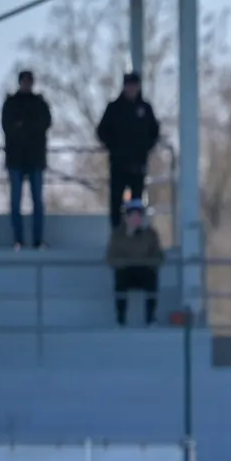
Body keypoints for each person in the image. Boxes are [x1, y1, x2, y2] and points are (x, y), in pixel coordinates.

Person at [96, 72, 160, 229]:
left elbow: (154, 131)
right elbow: (101, 131)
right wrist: (113, 146)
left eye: (134, 85)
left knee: (137, 202)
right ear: (124, 87)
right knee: (116, 201)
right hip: (118, 163)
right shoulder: (114, 108)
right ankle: (117, 233)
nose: (132, 88)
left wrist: (145, 148)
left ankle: (136, 234)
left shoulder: (145, 108)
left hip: (138, 163)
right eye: (129, 85)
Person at [1, 70, 52, 249]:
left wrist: (24, 126)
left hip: (35, 159)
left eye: (30, 81)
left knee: (37, 201)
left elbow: (46, 123)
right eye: (25, 81)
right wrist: (30, 128)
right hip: (16, 159)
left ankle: (37, 240)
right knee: (16, 202)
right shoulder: (11, 103)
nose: (27, 84)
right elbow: (8, 126)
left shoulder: (39, 103)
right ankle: (18, 240)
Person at [107, 198, 163, 326]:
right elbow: (111, 258)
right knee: (120, 278)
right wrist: (129, 236)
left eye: (139, 215)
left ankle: (150, 317)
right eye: (133, 216)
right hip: (126, 270)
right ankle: (120, 317)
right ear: (126, 218)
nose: (136, 219)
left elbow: (159, 256)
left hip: (144, 270)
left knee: (152, 278)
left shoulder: (150, 234)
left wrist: (148, 263)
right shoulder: (117, 235)